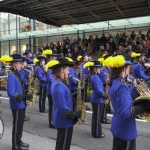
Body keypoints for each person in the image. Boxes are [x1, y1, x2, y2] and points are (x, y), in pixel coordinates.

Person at [103, 53, 149, 150]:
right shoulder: (121, 85)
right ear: (124, 68)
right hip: (126, 130)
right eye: (129, 67)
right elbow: (124, 112)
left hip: (118, 127)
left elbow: (124, 97)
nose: (130, 69)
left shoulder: (114, 81)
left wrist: (135, 87)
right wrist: (143, 107)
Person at [46, 57, 82, 150]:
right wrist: (74, 114)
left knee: (61, 144)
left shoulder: (57, 81)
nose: (69, 72)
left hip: (62, 120)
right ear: (62, 69)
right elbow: (63, 108)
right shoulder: (59, 85)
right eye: (67, 69)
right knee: (64, 146)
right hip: (64, 121)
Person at [6, 54, 32, 150]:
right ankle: (15, 145)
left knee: (20, 124)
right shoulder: (12, 76)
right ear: (14, 64)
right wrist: (23, 96)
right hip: (16, 104)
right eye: (19, 63)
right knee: (17, 124)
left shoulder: (18, 73)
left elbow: (22, 85)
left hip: (21, 103)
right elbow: (11, 92)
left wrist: (27, 93)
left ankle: (18, 140)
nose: (21, 65)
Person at [84, 60, 108, 138]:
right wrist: (105, 95)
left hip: (95, 99)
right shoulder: (95, 77)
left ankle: (95, 131)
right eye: (98, 68)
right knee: (98, 118)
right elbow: (99, 90)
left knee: (95, 117)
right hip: (98, 99)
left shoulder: (93, 76)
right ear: (94, 68)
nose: (100, 69)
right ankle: (97, 133)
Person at [43, 49, 58, 128]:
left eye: (56, 57)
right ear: (51, 57)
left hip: (53, 89)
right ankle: (51, 122)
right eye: (54, 57)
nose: (55, 58)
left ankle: (53, 121)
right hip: (50, 90)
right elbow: (50, 78)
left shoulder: (53, 66)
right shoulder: (49, 66)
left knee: (54, 107)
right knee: (52, 107)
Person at [98, 54, 112, 123]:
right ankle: (103, 118)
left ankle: (104, 117)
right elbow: (104, 81)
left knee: (104, 105)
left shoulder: (105, 69)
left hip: (105, 88)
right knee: (104, 105)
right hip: (104, 89)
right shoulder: (104, 70)